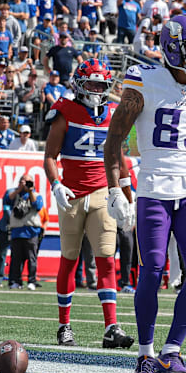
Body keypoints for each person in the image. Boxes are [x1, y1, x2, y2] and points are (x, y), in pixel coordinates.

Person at [104, 13, 186, 373]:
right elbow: (114, 139)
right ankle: (145, 355)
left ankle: (172, 351)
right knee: (152, 271)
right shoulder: (145, 80)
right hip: (154, 188)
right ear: (171, 46)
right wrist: (115, 188)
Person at [44, 59, 135, 348]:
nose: (96, 89)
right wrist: (56, 184)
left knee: (107, 258)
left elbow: (120, 160)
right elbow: (50, 155)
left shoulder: (113, 112)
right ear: (80, 83)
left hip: (101, 193)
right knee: (69, 259)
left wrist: (128, 196)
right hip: (71, 193)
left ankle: (111, 327)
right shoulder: (64, 111)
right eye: (92, 83)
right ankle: (64, 326)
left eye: (101, 83)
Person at [6, 175, 43, 290]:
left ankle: (31, 281)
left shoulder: (36, 195)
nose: (26, 183)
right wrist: (19, 189)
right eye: (23, 181)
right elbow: (7, 200)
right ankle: (16, 281)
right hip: (17, 231)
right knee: (16, 259)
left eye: (28, 181)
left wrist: (30, 191)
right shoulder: (15, 194)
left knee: (32, 258)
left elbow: (37, 206)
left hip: (31, 231)